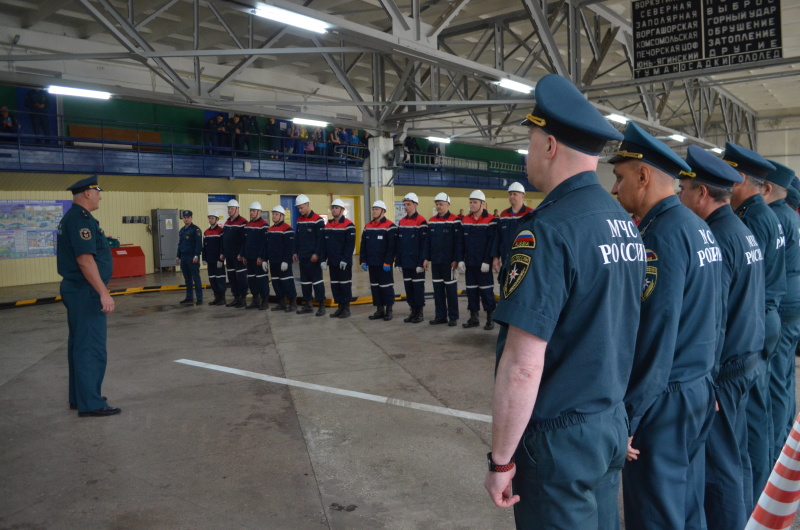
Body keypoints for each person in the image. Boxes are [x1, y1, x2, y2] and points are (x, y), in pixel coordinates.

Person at [484, 74, 642, 529]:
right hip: (609, 421)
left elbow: (522, 365)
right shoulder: (623, 223)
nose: (527, 153)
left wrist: (500, 461)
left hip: (560, 438)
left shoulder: (547, 231)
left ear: (550, 146)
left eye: (531, 141)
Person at [613, 123, 721, 530]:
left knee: (656, 514)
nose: (615, 189)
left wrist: (630, 417)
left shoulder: (662, 235)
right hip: (695, 389)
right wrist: (707, 381)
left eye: (620, 177)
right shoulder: (699, 228)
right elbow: (717, 314)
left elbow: (656, 334)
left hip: (665, 400)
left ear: (643, 176)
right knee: (687, 506)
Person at [678, 146, 765, 529]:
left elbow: (714, 319)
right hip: (748, 356)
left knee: (720, 467)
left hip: (726, 367)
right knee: (737, 457)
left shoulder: (717, 237)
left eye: (684, 188)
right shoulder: (740, 231)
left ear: (701, 193)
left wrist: (707, 379)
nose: (679, 195)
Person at [726, 142, 783, 504]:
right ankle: (759, 484)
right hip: (768, 316)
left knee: (753, 416)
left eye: (731, 180)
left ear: (744, 180)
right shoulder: (765, 215)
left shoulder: (753, 219)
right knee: (759, 408)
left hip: (758, 319)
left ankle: (757, 489)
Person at [57, 175, 121, 417]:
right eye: (98, 192)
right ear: (87, 193)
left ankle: (80, 396)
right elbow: (85, 260)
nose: (100, 196)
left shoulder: (74, 217)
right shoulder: (80, 220)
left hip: (77, 289)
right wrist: (103, 293)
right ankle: (91, 403)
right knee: (90, 347)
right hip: (86, 291)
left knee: (79, 344)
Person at [762, 160, 800, 454]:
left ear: (769, 187)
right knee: (784, 375)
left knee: (776, 377)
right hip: (794, 300)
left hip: (783, 302)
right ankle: (787, 433)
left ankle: (777, 448)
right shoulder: (792, 216)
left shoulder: (773, 218)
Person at [460, 190, 497, 330]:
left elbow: (491, 242)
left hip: (483, 264)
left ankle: (490, 318)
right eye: (470, 202)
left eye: (475, 202)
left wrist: (487, 260)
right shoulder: (465, 220)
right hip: (470, 263)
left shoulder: (491, 220)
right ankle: (474, 317)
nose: (472, 205)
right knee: (471, 291)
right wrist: (460, 259)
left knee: (486, 291)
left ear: (483, 204)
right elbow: (461, 242)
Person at [423, 193, 462, 326]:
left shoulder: (455, 220)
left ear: (448, 205)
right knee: (438, 290)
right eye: (437, 204)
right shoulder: (432, 220)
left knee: (451, 291)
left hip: (449, 263)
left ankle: (453, 316)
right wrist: (426, 258)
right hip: (436, 262)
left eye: (441, 204)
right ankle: (440, 316)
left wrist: (457, 259)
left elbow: (458, 242)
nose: (439, 206)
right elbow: (427, 241)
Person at [360, 200, 397, 321]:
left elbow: (392, 246)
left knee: (386, 287)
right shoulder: (367, 226)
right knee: (375, 287)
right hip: (372, 263)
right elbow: (363, 245)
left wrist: (388, 261)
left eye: (376, 209)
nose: (374, 211)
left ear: (383, 211)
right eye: (373, 209)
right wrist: (363, 260)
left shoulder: (390, 226)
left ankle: (389, 310)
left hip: (384, 264)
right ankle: (379, 310)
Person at [396, 192, 428, 323]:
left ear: (415, 205)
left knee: (418, 288)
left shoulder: (421, 221)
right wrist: (398, 262)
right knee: (408, 288)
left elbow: (425, 244)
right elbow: (399, 244)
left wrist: (422, 262)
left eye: (408, 204)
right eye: (404, 204)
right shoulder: (402, 222)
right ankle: (412, 311)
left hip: (416, 263)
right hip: (405, 262)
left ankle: (419, 313)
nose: (406, 207)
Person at [293, 194, 326, 316]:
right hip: (303, 257)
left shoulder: (318, 220)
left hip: (314, 258)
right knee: (305, 282)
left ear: (307, 205)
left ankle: (321, 305)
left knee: (317, 282)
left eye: (301, 208)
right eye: (298, 208)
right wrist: (295, 252)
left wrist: (316, 253)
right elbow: (297, 238)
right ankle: (308, 304)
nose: (300, 210)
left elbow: (320, 240)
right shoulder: (299, 220)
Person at [324, 199, 356, 318]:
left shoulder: (349, 225)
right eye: (332, 208)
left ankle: (346, 308)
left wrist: (345, 259)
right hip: (332, 262)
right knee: (335, 285)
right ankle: (340, 307)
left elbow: (350, 244)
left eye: (336, 208)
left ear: (342, 210)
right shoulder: (328, 225)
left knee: (345, 284)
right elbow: (325, 244)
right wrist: (323, 259)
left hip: (344, 262)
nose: (334, 210)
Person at [492, 182, 533, 273]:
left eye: (515, 194)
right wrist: (495, 258)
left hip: (525, 260)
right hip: (506, 259)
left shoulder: (531, 214)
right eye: (510, 194)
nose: (511, 196)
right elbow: (498, 238)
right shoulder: (504, 214)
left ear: (522, 196)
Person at [266, 205, 297, 312]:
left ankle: (292, 302)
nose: (274, 216)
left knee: (287, 282)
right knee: (276, 283)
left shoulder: (287, 229)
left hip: (283, 262)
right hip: (273, 262)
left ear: (282, 216)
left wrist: (286, 260)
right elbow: (267, 246)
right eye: (273, 214)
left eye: (276, 214)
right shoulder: (269, 230)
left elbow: (290, 247)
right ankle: (281, 302)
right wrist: (265, 259)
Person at [240, 202, 270, 310]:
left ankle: (265, 301)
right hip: (249, 258)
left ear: (259, 212)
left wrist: (261, 257)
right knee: (251, 279)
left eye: (253, 211)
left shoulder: (264, 225)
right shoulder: (247, 225)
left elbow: (264, 243)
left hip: (258, 258)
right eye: (250, 211)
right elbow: (244, 241)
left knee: (262, 280)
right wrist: (243, 255)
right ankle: (256, 299)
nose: (251, 213)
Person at [221, 199, 249, 308]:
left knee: (241, 277)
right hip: (229, 256)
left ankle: (243, 298)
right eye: (228, 208)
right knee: (232, 277)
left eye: (231, 208)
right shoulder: (227, 223)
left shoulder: (243, 222)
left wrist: (242, 254)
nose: (229, 210)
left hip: (238, 257)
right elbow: (224, 239)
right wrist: (223, 253)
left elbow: (244, 240)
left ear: (237, 209)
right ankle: (236, 297)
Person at [175, 210, 203, 305]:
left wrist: (196, 255)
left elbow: (198, 244)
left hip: (192, 258)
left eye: (188, 217)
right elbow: (180, 244)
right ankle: (189, 297)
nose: (186, 219)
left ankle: (199, 298)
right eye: (185, 217)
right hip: (184, 257)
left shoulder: (196, 230)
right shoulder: (182, 230)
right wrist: (178, 256)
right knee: (187, 279)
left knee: (196, 278)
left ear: (191, 218)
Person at [202, 211, 227, 306]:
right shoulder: (206, 232)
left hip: (218, 260)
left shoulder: (221, 231)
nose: (210, 220)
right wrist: (204, 258)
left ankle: (222, 298)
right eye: (209, 218)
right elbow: (204, 247)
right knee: (212, 280)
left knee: (220, 279)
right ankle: (216, 297)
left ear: (217, 219)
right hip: (210, 260)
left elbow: (222, 245)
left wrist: (221, 258)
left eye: (212, 218)